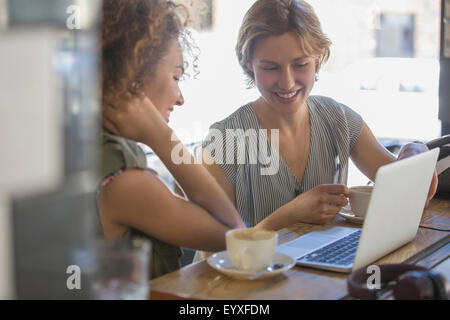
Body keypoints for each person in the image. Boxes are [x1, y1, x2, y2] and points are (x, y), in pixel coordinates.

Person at [201, 0, 438, 231]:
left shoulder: (340, 120)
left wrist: (416, 150)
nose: (287, 82)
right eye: (270, 67)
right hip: (251, 272)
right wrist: (289, 215)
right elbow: (213, 252)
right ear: (248, 63)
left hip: (317, 272)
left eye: (300, 64)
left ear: (318, 58)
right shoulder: (224, 141)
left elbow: (409, 194)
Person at [99, 0, 245, 279]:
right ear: (134, 77)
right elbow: (234, 235)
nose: (180, 98)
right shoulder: (124, 183)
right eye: (176, 77)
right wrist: (162, 137)